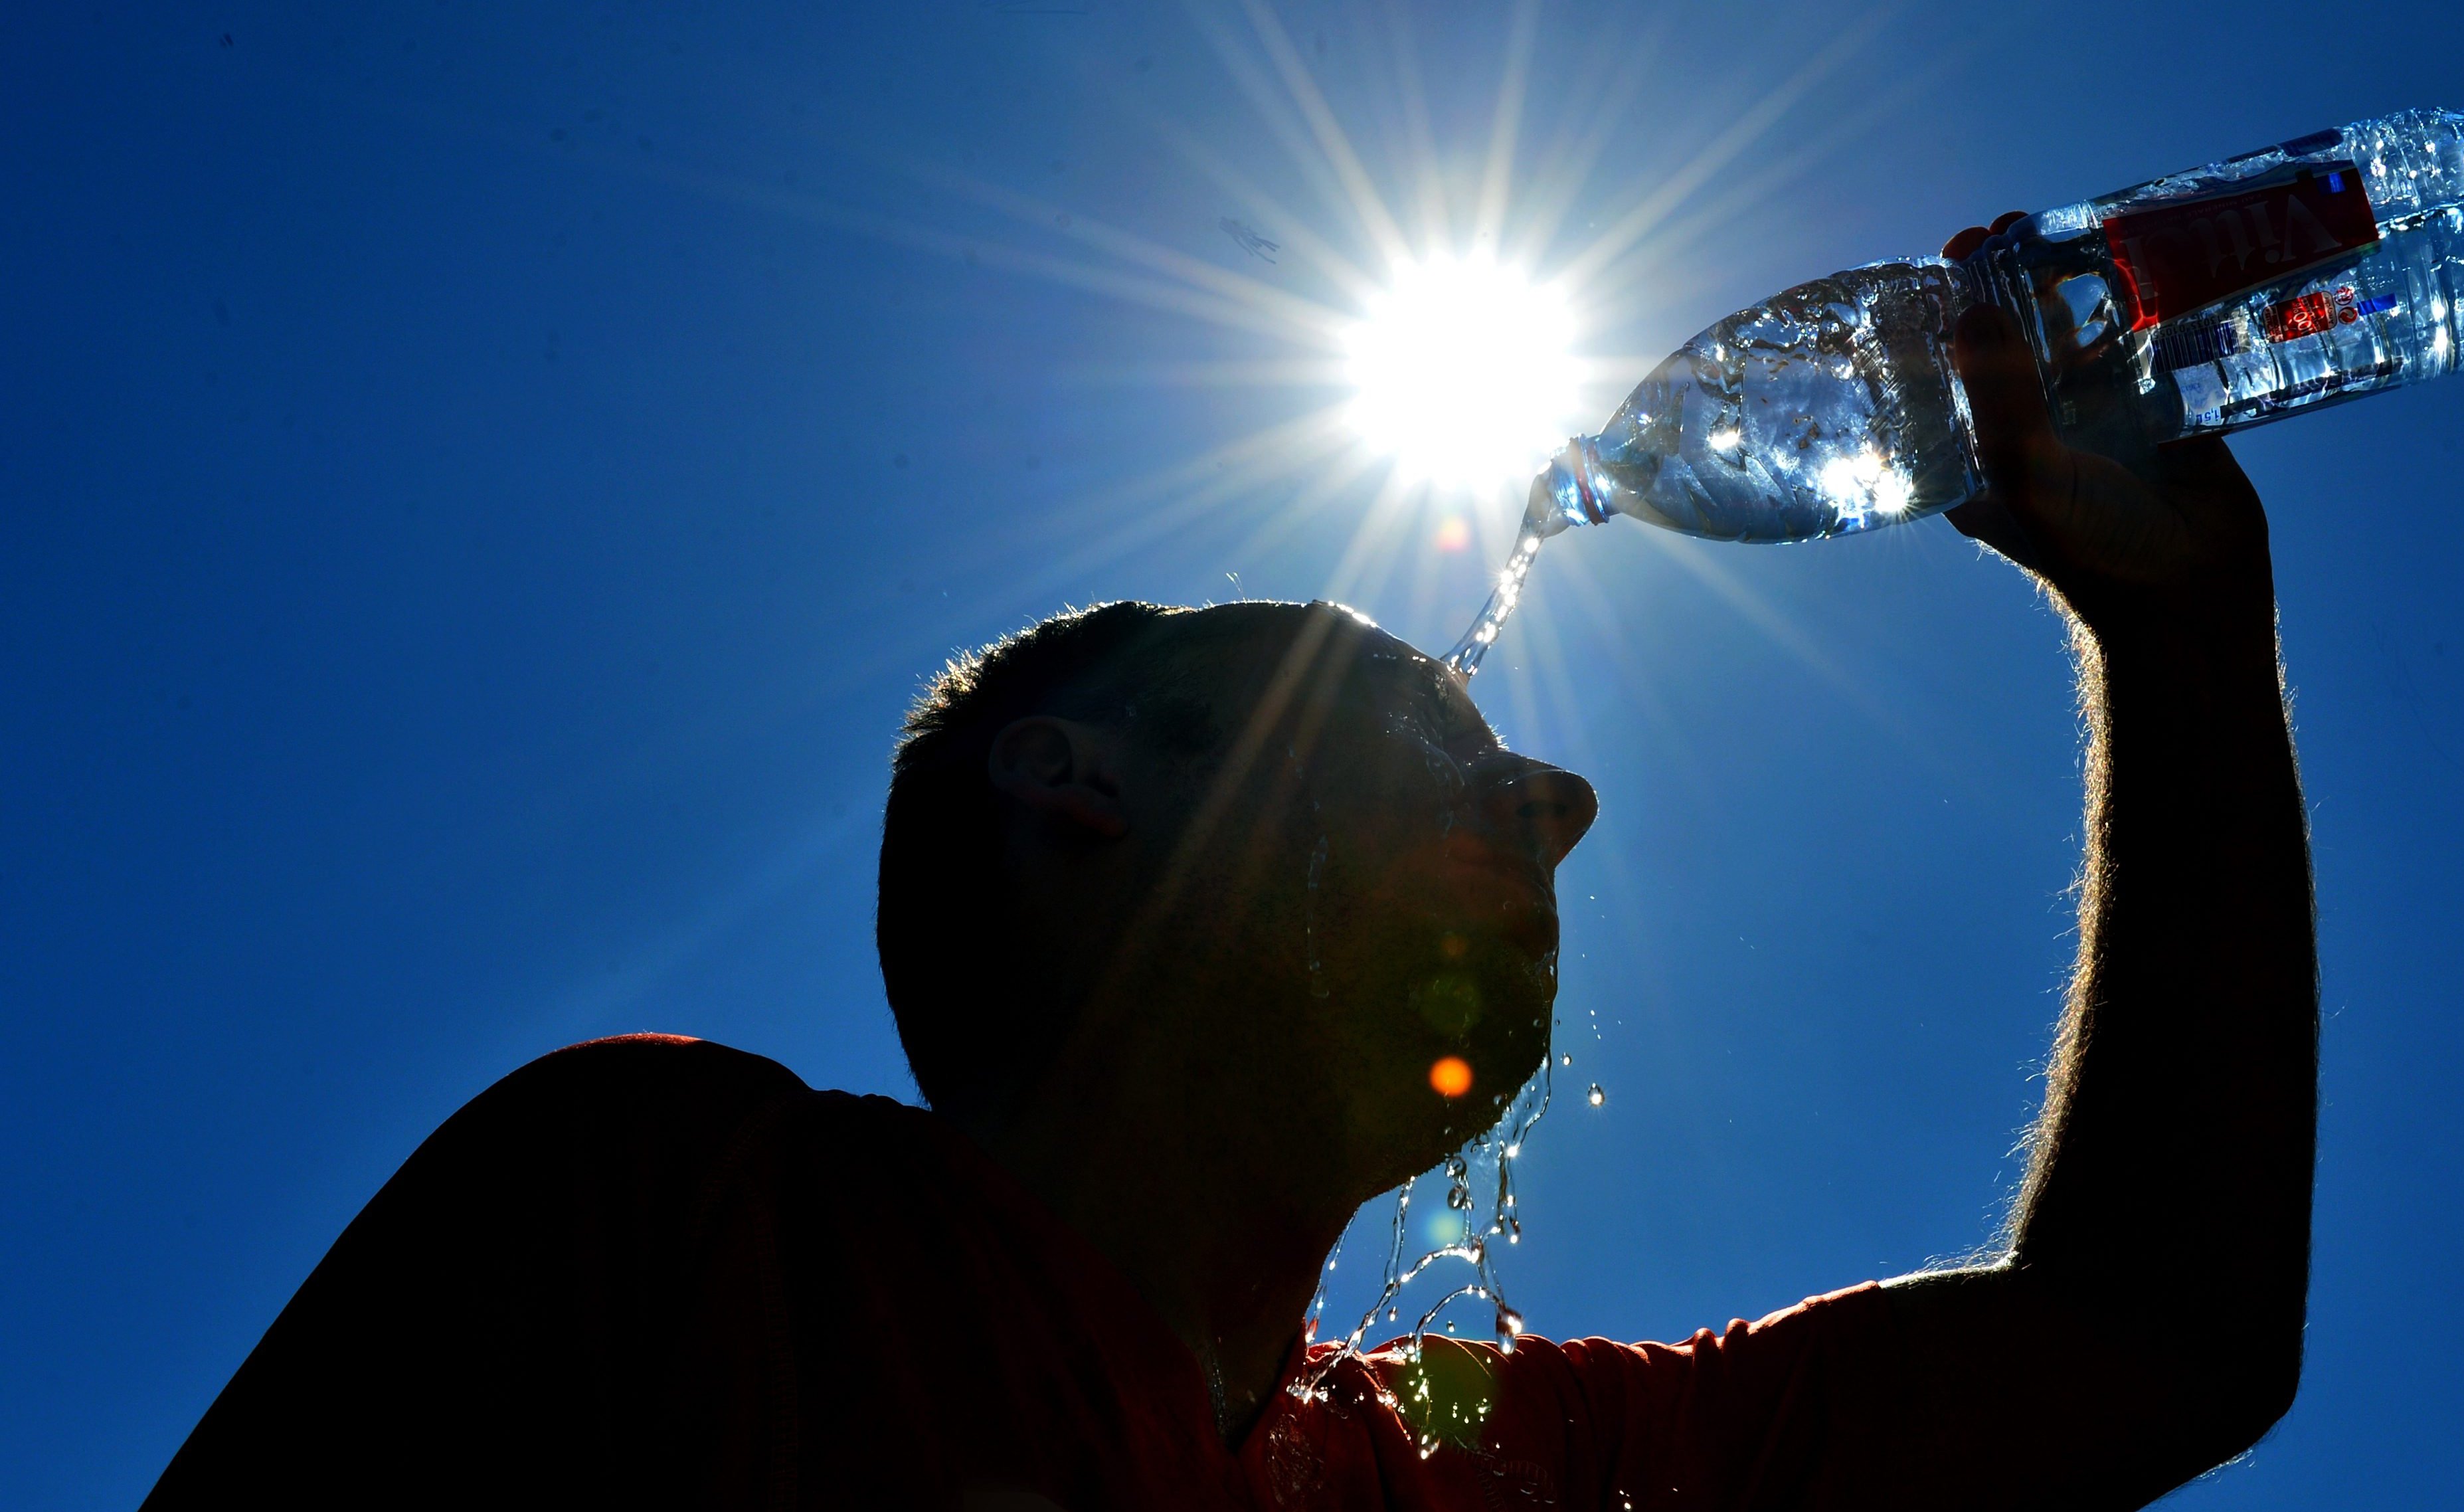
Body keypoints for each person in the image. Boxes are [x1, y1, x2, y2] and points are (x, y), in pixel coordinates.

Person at [144, 216, 2317, 1511]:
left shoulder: (1457, 1468)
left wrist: (2190, 640)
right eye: (1412, 713)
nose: (1561, 805)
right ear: (1076, 785)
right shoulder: (678, 1214)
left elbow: (2152, 1343)